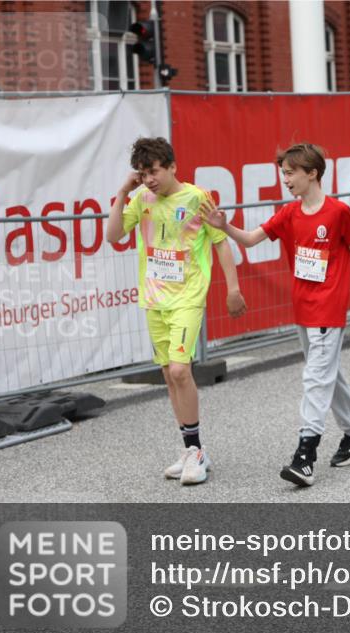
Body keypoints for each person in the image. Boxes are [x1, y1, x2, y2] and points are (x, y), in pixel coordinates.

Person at [201, 143, 350, 486]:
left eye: (291, 173)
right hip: (302, 307)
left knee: (315, 379)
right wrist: (224, 227)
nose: (286, 179)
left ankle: (305, 455)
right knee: (327, 375)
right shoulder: (289, 213)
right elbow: (250, 240)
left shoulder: (337, 212)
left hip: (328, 308)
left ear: (313, 173)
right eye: (283, 174)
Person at [107, 137, 246, 485]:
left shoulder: (197, 198)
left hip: (187, 297)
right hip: (154, 300)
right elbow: (113, 235)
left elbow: (220, 244)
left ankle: (196, 450)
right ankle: (189, 449)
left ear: (171, 167)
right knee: (170, 374)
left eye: (153, 171)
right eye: (142, 173)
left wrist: (233, 288)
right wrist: (124, 192)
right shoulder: (141, 199)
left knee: (182, 371)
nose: (149, 179)